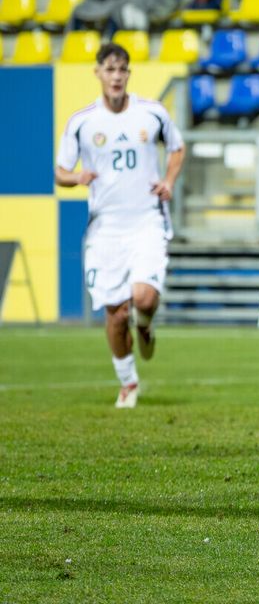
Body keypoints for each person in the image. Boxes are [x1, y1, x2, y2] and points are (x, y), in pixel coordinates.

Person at [54, 43, 186, 408]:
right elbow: (60, 171)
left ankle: (145, 323)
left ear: (129, 74)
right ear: (97, 72)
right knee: (115, 313)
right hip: (106, 227)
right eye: (110, 69)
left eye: (122, 70)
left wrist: (169, 182)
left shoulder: (152, 113)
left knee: (142, 297)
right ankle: (128, 382)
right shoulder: (82, 122)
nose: (116, 76)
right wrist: (77, 176)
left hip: (147, 220)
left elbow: (177, 148)